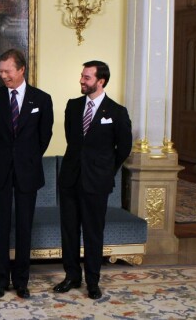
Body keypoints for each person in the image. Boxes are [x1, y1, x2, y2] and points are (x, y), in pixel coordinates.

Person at [54, 60, 132, 300]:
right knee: (69, 231)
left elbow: (124, 148)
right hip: (70, 179)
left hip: (97, 183)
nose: (81, 80)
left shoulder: (117, 112)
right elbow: (72, 140)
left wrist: (105, 170)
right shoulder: (73, 106)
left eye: (87, 77)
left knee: (93, 233)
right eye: (82, 76)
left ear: (101, 81)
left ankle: (93, 281)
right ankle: (71, 277)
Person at [0, 49, 54, 299]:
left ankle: (22, 281)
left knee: (25, 227)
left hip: (28, 172)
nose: (3, 76)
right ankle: (0, 280)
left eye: (8, 71)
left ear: (21, 69)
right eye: (1, 71)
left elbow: (45, 137)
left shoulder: (42, 100)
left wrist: (28, 158)